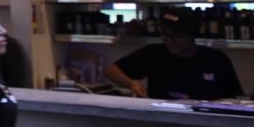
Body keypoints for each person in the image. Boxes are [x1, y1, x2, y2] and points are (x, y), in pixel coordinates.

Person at [104, 9, 242, 100]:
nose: (169, 41)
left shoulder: (216, 59)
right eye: (165, 35)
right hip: (161, 123)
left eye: (176, 36)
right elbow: (111, 70)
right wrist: (131, 83)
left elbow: (233, 99)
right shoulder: (154, 53)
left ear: (191, 36)